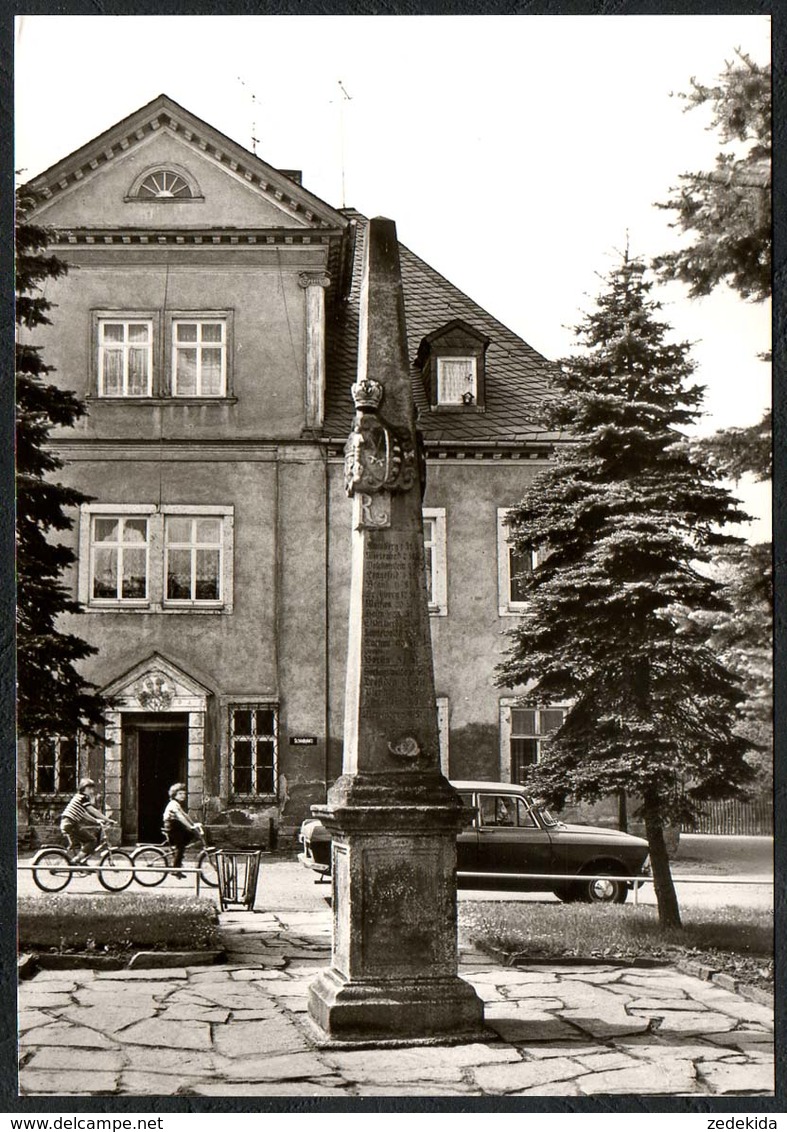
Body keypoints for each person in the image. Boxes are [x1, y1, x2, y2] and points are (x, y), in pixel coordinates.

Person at [60, 778, 114, 864]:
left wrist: (96, 820)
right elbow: (93, 810)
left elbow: (84, 814)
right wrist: (107, 819)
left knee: (86, 843)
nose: (92, 791)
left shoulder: (78, 797)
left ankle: (82, 862)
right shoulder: (83, 798)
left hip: (67, 823)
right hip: (71, 823)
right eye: (89, 788)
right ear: (83, 788)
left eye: (92, 788)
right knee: (92, 840)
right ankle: (76, 860)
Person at [163, 783, 204, 877]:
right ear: (174, 794)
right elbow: (180, 817)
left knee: (189, 836)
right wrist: (190, 827)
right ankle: (175, 869)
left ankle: (178, 854)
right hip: (172, 825)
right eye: (180, 793)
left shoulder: (177, 804)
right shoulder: (173, 804)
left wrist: (194, 824)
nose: (183, 795)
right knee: (180, 846)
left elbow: (185, 815)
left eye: (184, 794)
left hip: (175, 825)